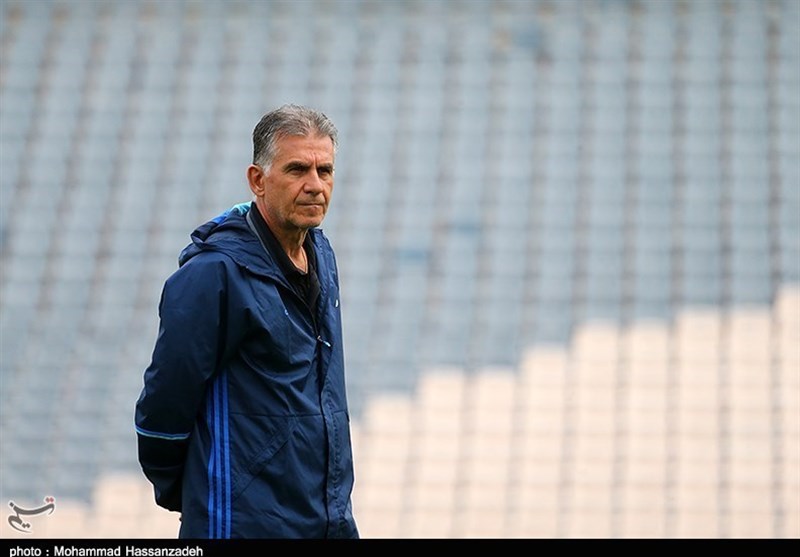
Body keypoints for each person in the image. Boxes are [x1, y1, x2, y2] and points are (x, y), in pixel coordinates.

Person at [134, 104, 358, 539]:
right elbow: (163, 411)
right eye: (297, 169)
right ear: (258, 180)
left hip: (326, 520)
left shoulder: (322, 254)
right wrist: (205, 494)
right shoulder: (212, 274)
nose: (315, 185)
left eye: (325, 170)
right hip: (241, 523)